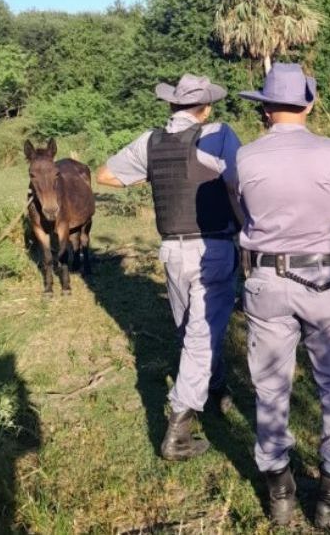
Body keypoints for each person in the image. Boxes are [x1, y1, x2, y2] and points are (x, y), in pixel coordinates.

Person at [235, 63, 330, 528]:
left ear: (266, 108)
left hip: (267, 282)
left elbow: (243, 213)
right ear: (308, 103)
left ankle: (280, 492)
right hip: (328, 283)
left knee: (270, 387)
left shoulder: (245, 157)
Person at [96, 74, 242, 461]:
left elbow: (105, 175)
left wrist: (152, 174)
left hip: (171, 250)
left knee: (191, 330)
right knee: (201, 331)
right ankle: (178, 426)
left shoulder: (151, 142)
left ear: (171, 105)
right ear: (206, 107)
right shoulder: (220, 135)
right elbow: (237, 185)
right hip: (212, 245)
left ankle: (216, 386)